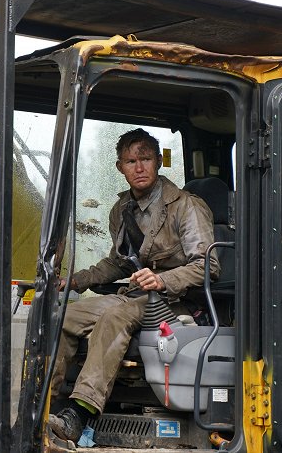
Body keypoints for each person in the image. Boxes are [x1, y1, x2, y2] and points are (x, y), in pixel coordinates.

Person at [48, 128, 220, 444]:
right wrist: (75, 280)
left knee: (115, 318)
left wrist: (162, 279)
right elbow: (119, 263)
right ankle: (45, 404)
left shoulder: (186, 207)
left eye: (145, 159)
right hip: (135, 296)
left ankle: (80, 412)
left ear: (158, 162)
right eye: (130, 161)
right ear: (120, 167)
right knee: (65, 318)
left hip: (175, 302)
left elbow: (207, 267)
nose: (138, 167)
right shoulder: (121, 210)